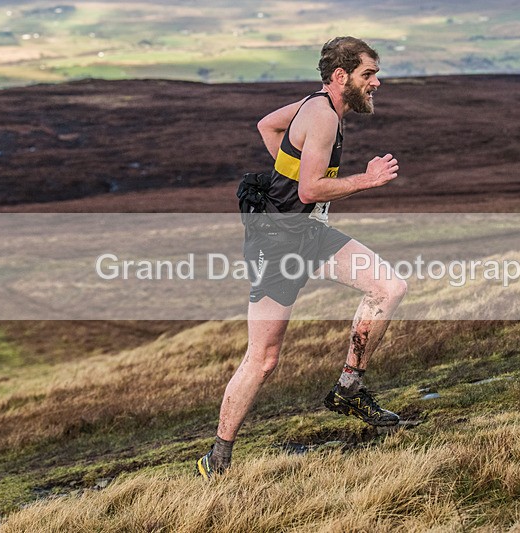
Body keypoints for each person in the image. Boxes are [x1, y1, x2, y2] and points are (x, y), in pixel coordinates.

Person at [197, 36, 407, 479]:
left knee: (388, 286)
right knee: (264, 359)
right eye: (368, 74)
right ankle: (216, 459)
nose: (377, 82)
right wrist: (366, 181)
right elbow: (311, 189)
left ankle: (348, 388)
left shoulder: (318, 107)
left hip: (307, 232)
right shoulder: (321, 115)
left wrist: (285, 179)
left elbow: (266, 127)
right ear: (340, 76)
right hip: (277, 245)